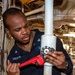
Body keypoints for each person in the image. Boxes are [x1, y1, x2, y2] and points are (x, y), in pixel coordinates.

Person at [2, 8, 73, 75]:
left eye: (26, 26)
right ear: (8, 31)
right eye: (18, 30)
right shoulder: (12, 58)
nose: (25, 32)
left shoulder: (50, 40)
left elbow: (69, 69)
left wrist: (64, 65)